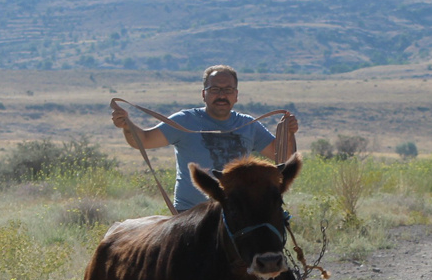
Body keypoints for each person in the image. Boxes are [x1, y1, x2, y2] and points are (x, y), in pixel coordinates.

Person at [110, 64, 298, 211]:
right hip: (191, 215)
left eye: (228, 90)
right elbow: (143, 140)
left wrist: (288, 134)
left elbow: (281, 156)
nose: (222, 95)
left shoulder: (249, 125)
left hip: (237, 215)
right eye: (215, 89)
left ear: (236, 95)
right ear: (204, 94)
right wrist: (128, 126)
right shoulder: (184, 121)